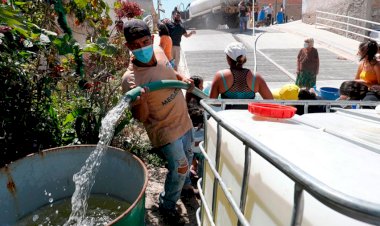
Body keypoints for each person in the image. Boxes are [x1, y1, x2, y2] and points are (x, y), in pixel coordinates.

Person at [121, 19, 195, 221]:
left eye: (144, 42)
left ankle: (186, 184)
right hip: (165, 129)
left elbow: (170, 72)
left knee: (189, 155)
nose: (141, 48)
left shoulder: (160, 51)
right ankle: (167, 204)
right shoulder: (131, 80)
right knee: (179, 166)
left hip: (183, 118)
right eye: (135, 46)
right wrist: (141, 103)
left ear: (151, 38)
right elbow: (141, 118)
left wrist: (182, 79)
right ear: (128, 47)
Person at [209, 42, 273, 108]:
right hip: (248, 117)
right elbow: (270, 101)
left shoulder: (221, 76)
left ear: (228, 58)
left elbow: (213, 102)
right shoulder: (256, 77)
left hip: (228, 117)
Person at [185, 75, 204, 182]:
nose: (203, 87)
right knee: (201, 158)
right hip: (201, 142)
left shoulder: (187, 102)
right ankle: (201, 177)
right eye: (201, 85)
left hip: (191, 142)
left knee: (190, 155)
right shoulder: (203, 103)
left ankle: (190, 173)